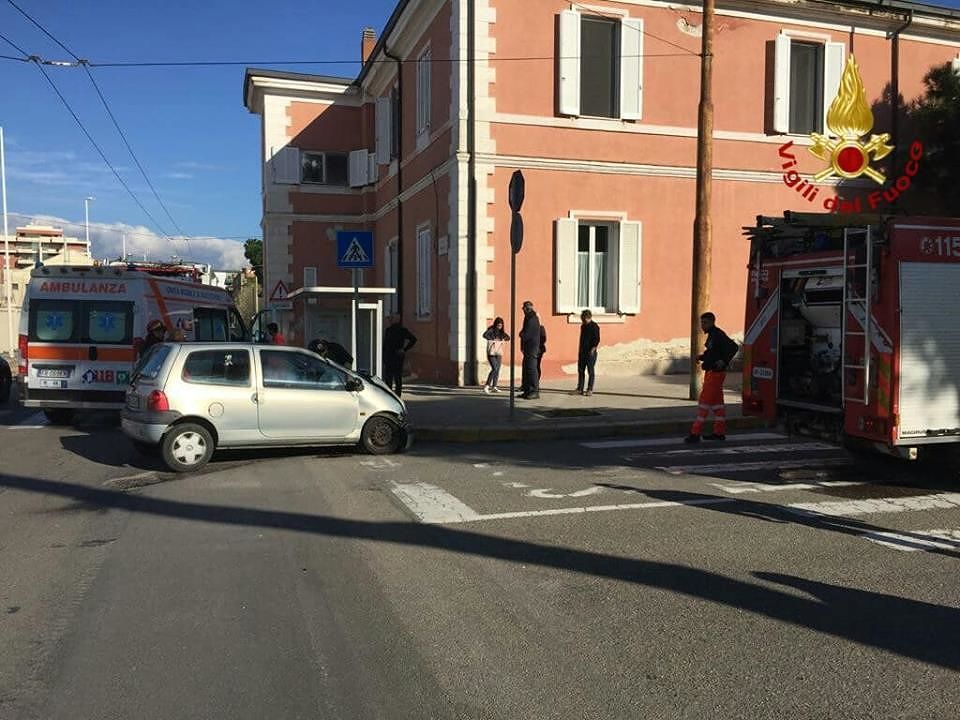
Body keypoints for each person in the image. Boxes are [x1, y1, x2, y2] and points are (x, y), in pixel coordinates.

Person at [685, 312, 739, 443]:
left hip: (715, 373)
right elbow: (712, 352)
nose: (702, 326)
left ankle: (695, 433)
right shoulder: (713, 335)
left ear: (712, 322)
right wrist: (702, 357)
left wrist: (724, 361)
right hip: (713, 372)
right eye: (702, 323)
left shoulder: (718, 334)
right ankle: (719, 432)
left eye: (705, 323)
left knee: (704, 403)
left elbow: (734, 347)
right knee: (717, 405)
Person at [382, 314, 417, 396]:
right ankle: (391, 396)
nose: (390, 320)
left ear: (397, 320)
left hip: (396, 357)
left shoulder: (402, 330)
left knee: (396, 379)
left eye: (392, 318)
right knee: (390, 379)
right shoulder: (389, 330)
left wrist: (404, 349)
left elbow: (413, 339)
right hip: (391, 357)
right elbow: (385, 344)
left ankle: (396, 397)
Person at [518, 300, 541, 400]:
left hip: (532, 348)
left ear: (528, 308)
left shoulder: (532, 319)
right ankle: (527, 390)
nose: (522, 310)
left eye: (524, 308)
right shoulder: (528, 318)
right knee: (526, 369)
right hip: (528, 348)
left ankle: (534, 391)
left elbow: (527, 334)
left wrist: (521, 334)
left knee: (531, 369)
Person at [575, 309, 600, 396]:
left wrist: (592, 350)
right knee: (581, 370)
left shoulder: (595, 326)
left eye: (582, 318)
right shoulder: (583, 326)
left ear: (587, 317)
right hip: (582, 352)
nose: (581, 320)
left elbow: (597, 340)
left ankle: (590, 389)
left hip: (590, 353)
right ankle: (580, 388)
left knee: (590, 371)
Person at [482, 317, 509, 393]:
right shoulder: (491, 330)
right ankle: (487, 385)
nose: (499, 327)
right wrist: (493, 339)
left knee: (497, 370)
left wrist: (502, 339)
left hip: (498, 353)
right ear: (496, 324)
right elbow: (484, 335)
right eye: (498, 325)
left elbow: (508, 337)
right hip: (491, 353)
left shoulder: (501, 332)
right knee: (495, 368)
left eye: (501, 326)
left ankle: (494, 386)